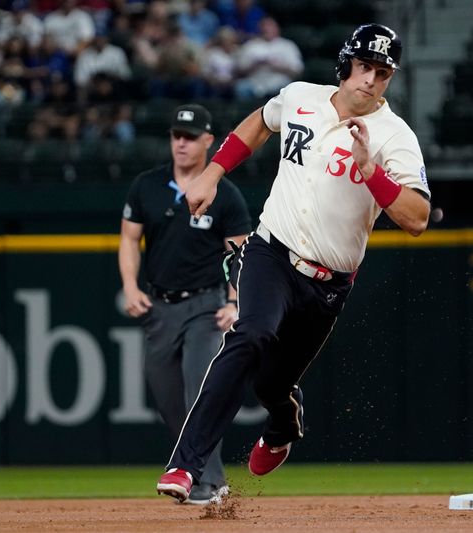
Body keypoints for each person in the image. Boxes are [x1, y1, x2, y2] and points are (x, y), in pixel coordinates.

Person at [156, 23, 430, 503]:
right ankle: (185, 465)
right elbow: (260, 123)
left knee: (273, 382)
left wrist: (371, 173)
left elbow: (417, 218)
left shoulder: (396, 137)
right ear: (346, 65)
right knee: (250, 336)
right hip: (271, 251)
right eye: (364, 66)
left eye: (382, 72)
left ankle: (283, 426)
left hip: (328, 284)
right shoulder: (301, 95)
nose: (369, 79)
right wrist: (212, 172)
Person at [119, 104, 252, 504]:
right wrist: (129, 285)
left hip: (206, 307)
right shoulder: (147, 185)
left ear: (209, 141)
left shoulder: (224, 193)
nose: (181, 142)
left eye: (190, 136)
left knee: (200, 387)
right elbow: (129, 239)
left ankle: (206, 481)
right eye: (176, 134)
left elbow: (241, 254)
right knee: (166, 394)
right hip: (160, 305)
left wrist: (235, 301)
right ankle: (201, 474)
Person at [233, 16, 303, 100]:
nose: (266, 29)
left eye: (270, 26)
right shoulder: (250, 45)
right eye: (264, 26)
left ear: (277, 28)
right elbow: (239, 70)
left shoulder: (287, 45)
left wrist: (277, 66)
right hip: (255, 82)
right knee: (240, 87)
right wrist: (255, 65)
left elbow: (297, 70)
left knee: (289, 89)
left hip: (279, 83)